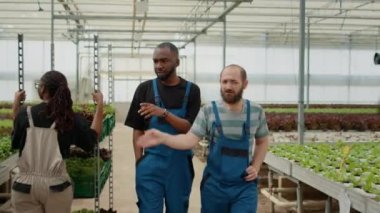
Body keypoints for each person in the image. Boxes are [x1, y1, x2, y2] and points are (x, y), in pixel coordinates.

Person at [137, 64, 269, 213]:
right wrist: (163, 138)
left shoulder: (256, 112)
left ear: (245, 84)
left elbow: (263, 141)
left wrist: (257, 166)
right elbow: (189, 140)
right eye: (224, 81)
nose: (228, 86)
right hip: (214, 187)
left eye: (234, 82)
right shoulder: (209, 111)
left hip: (244, 186)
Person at [11, 70, 104, 213]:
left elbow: (16, 138)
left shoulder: (25, 114)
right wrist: (99, 106)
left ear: (43, 89)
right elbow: (92, 139)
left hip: (24, 187)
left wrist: (16, 104)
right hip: (56, 187)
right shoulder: (68, 118)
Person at [125, 42, 201, 213]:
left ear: (177, 62)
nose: (159, 65)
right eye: (156, 61)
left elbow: (187, 128)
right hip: (150, 165)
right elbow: (137, 129)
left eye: (164, 61)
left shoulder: (192, 91)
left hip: (180, 166)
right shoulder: (144, 89)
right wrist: (139, 162)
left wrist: (163, 113)